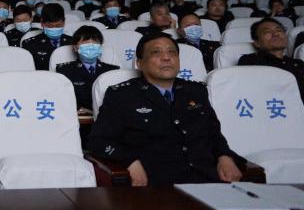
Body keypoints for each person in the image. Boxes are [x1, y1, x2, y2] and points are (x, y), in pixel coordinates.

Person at [88, 32, 244, 187]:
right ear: (139, 63)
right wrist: (129, 160)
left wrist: (225, 156)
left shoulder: (196, 91)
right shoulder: (122, 95)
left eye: (172, 52)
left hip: (208, 179)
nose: (166, 57)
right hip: (158, 185)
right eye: (156, 52)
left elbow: (213, 133)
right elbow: (98, 141)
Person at [238, 18, 304, 101]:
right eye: (267, 32)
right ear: (257, 43)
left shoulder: (298, 64)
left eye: (279, 30)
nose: (275, 34)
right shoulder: (249, 61)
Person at [55, 26, 119, 112]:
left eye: (95, 42)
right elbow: (62, 99)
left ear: (100, 47)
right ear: (75, 47)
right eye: (85, 43)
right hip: (78, 116)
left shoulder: (113, 71)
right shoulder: (64, 70)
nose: (91, 46)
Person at [21, 3, 72, 70]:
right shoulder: (30, 44)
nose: (54, 28)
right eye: (50, 26)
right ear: (42, 22)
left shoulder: (73, 42)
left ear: (64, 22)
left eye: (58, 25)